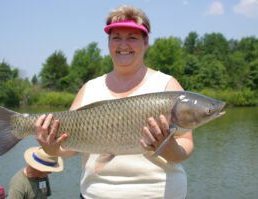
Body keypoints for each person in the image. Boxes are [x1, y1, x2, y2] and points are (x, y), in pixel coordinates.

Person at [35, 5, 194, 199]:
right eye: (116, 37)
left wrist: (169, 150)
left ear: (146, 42)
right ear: (109, 42)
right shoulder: (89, 88)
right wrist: (53, 149)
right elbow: (69, 149)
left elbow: (185, 144)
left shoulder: (167, 85)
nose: (123, 45)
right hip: (96, 193)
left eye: (132, 38)